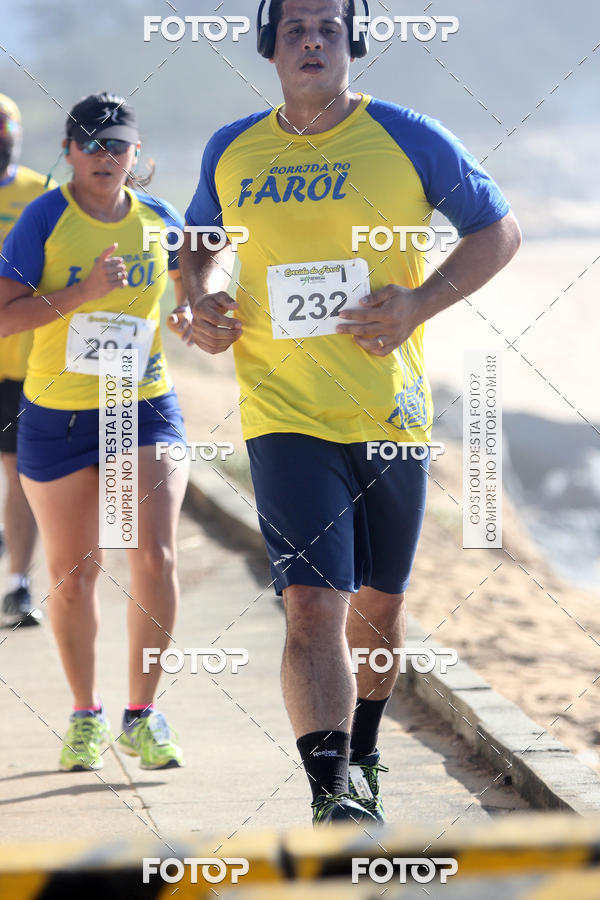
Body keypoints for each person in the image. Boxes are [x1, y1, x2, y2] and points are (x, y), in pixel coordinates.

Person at [181, 0, 521, 825]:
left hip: (390, 416)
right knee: (310, 602)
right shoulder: (232, 147)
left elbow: (497, 232)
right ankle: (331, 793)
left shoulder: (410, 135)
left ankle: (365, 747)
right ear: (270, 46)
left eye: (329, 28)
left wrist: (419, 304)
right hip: (282, 412)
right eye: (295, 28)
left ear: (352, 44)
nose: (311, 41)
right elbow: (195, 243)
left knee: (378, 607)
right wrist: (199, 303)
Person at [0, 92, 193, 772]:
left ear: (135, 153)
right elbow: (2, 316)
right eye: (91, 145)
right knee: (75, 575)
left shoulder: (160, 218)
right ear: (69, 151)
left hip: (139, 405)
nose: (104, 156)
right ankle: (86, 714)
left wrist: (202, 304)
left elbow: (201, 263)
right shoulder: (44, 218)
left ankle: (143, 714)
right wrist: (79, 296)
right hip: (56, 414)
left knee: (155, 556)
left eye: (117, 144)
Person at [0, 93, 50, 628]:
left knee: (18, 473)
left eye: (3, 131)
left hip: (23, 361)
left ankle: (17, 584)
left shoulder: (41, 195)